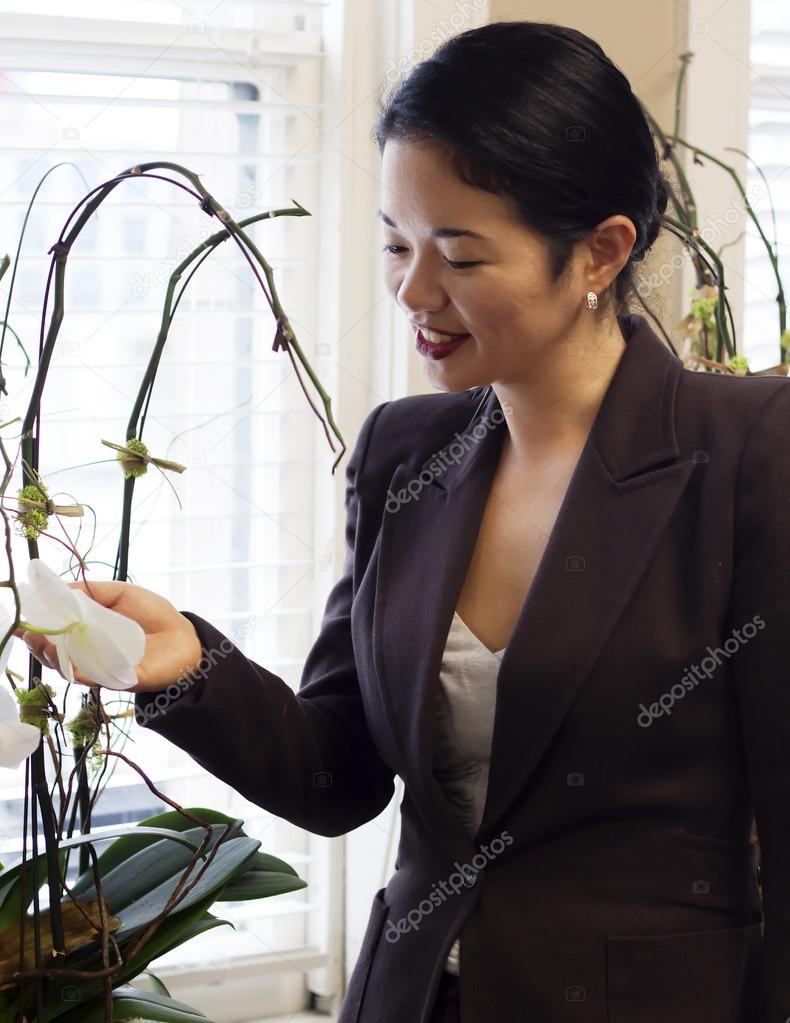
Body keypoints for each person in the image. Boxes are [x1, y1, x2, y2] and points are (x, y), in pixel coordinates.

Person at [19, 20, 790, 1023]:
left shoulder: (746, 452)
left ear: (601, 251)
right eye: (395, 243)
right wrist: (184, 668)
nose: (414, 293)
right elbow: (339, 774)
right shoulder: (405, 454)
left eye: (461, 258)